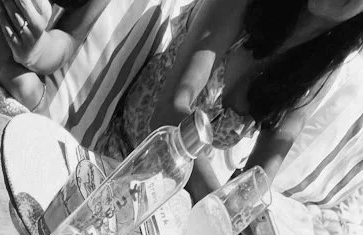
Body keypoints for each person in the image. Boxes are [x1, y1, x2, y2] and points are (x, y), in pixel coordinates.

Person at [98, 0, 363, 199]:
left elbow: (257, 180)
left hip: (169, 208)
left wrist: (241, 213)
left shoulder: (316, 73)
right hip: (111, 166)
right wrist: (216, 206)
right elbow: (170, 111)